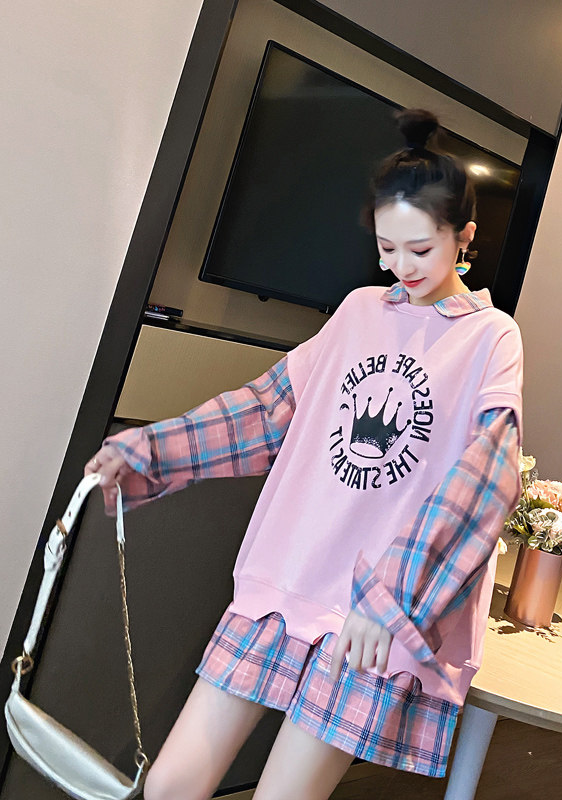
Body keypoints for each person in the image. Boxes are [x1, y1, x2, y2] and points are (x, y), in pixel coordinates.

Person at [85, 108, 524, 800]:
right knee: (169, 786)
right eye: (386, 247)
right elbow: (267, 411)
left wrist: (392, 598)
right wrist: (145, 451)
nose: (400, 267)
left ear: (464, 236)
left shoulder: (491, 337)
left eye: (420, 249)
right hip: (288, 579)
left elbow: (488, 478)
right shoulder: (358, 311)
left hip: (372, 617)